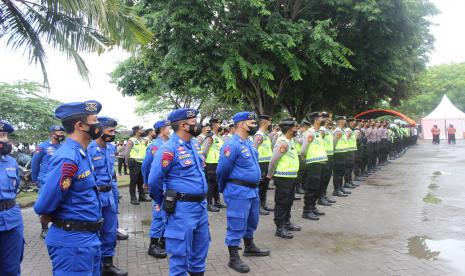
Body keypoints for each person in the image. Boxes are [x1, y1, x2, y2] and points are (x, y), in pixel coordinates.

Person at [34, 100, 104, 275]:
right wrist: (49, 213)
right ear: (80, 125)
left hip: (87, 238)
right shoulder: (68, 158)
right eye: (95, 120)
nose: (98, 125)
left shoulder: (83, 152)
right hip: (73, 242)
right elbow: (43, 205)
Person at [148, 108, 209, 276]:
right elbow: (153, 181)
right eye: (194, 122)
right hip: (181, 209)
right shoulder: (168, 149)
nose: (197, 125)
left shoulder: (193, 144)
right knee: (179, 256)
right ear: (183, 125)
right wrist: (165, 202)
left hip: (200, 207)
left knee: (199, 251)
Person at [217, 111, 271, 273]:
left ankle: (249, 247)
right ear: (241, 124)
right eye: (252, 123)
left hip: (252, 190)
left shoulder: (247, 142)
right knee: (236, 222)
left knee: (252, 220)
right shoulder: (231, 145)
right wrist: (224, 188)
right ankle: (233, 258)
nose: (255, 125)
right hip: (238, 191)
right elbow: (222, 171)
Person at [88, 116, 128, 276]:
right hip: (94, 197)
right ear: (99, 129)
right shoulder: (89, 148)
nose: (113, 134)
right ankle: (95, 266)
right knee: (94, 232)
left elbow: (111, 173)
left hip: (109, 195)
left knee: (110, 232)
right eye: (110, 131)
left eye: (113, 131)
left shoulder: (110, 149)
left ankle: (107, 264)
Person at [267, 118, 301, 239]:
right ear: (289, 129)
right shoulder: (283, 142)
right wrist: (270, 175)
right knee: (281, 203)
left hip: (291, 177)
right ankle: (280, 228)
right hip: (283, 177)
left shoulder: (290, 141)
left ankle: (287, 222)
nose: (296, 129)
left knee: (289, 201)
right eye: (294, 127)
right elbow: (273, 161)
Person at [141, 119, 171, 259]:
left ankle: (163, 241)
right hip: (159, 186)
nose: (170, 129)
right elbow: (146, 166)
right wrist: (146, 182)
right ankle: (153, 246)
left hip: (170, 186)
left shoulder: (170, 144)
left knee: (168, 214)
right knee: (159, 216)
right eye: (168, 127)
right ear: (162, 129)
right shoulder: (155, 146)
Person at [31, 125, 65, 238]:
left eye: (62, 132)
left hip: (59, 180)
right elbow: (34, 164)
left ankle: (57, 226)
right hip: (44, 180)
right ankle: (44, 228)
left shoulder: (63, 147)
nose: (61, 134)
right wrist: (34, 179)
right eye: (58, 132)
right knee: (45, 203)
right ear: (51, 133)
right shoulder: (42, 147)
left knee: (59, 203)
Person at [0, 120, 24, 276]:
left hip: (11, 220)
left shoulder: (11, 161)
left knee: (11, 267)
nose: (3, 139)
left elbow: (15, 188)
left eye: (4, 135)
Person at [300, 112, 328, 220]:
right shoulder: (309, 133)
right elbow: (303, 150)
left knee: (317, 187)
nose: (323, 119)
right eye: (321, 118)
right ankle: (307, 210)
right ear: (316, 120)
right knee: (311, 187)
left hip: (320, 163)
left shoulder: (317, 133)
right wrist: (306, 159)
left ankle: (312, 207)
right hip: (313, 164)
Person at [202, 118, 226, 212]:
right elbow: (204, 152)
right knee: (211, 184)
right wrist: (204, 162)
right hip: (211, 163)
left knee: (216, 184)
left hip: (218, 163)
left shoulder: (218, 136)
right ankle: (209, 204)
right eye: (219, 124)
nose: (220, 126)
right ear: (214, 125)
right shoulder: (210, 136)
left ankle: (217, 202)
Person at [253, 115, 274, 215]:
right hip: (261, 163)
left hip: (266, 163)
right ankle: (258, 207)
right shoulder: (259, 135)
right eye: (269, 121)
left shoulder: (264, 135)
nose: (270, 123)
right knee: (260, 186)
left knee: (265, 185)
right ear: (264, 122)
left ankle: (263, 204)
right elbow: (254, 150)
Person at [125, 125, 149, 205]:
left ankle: (141, 197)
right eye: (141, 129)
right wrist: (127, 162)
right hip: (134, 163)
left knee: (141, 181)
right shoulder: (131, 140)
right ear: (137, 131)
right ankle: (133, 198)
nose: (143, 130)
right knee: (133, 181)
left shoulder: (142, 140)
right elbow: (127, 152)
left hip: (142, 163)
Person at [318, 113, 337, 206]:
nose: (329, 121)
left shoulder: (328, 130)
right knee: (323, 178)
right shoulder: (322, 130)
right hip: (324, 156)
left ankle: (324, 195)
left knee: (327, 177)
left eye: (330, 120)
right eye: (328, 119)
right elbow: (318, 143)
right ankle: (320, 197)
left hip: (330, 156)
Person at [332, 116, 350, 197]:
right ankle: (337, 190)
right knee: (338, 173)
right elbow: (333, 144)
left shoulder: (342, 130)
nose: (345, 121)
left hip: (343, 153)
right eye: (344, 120)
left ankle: (340, 187)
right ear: (340, 121)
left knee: (341, 172)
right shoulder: (338, 131)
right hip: (338, 154)